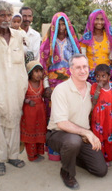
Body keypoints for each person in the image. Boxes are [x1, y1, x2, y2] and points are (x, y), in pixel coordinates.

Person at [46, 54, 107, 190]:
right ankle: (67, 172)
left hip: (81, 135)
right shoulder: (61, 90)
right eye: (78, 67)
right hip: (58, 134)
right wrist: (87, 133)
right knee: (73, 141)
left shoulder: (91, 88)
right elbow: (61, 123)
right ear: (71, 70)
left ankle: (70, 156)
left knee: (100, 170)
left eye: (85, 66)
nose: (82, 70)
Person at [0, 0, 28, 176]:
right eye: (2, 15)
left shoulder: (18, 36)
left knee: (14, 120)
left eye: (9, 15)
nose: (6, 18)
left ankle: (13, 155)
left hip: (17, 87)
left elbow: (23, 62)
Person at [40, 12, 81, 160]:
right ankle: (54, 150)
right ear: (54, 26)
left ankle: (70, 147)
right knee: (55, 114)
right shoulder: (48, 42)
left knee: (70, 113)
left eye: (64, 24)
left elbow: (79, 63)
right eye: (59, 24)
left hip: (70, 82)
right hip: (53, 83)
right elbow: (43, 64)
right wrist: (46, 86)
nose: (62, 27)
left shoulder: (72, 42)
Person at [90, 64, 112, 166]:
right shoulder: (94, 86)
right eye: (98, 76)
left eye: (103, 76)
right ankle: (99, 158)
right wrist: (99, 88)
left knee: (108, 137)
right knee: (98, 138)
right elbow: (94, 100)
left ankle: (107, 159)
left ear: (109, 76)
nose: (100, 78)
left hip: (109, 118)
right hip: (98, 118)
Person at [80, 9, 112, 84]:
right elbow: (82, 59)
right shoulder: (85, 38)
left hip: (107, 76)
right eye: (96, 19)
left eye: (102, 19)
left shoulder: (110, 37)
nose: (99, 22)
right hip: (90, 77)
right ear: (91, 20)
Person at [20, 61, 47, 162]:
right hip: (29, 113)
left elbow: (44, 94)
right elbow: (19, 96)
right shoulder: (25, 84)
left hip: (40, 112)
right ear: (30, 72)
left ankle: (38, 153)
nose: (39, 74)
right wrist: (27, 101)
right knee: (30, 131)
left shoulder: (42, 82)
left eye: (40, 71)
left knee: (40, 131)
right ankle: (31, 156)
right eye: (36, 71)